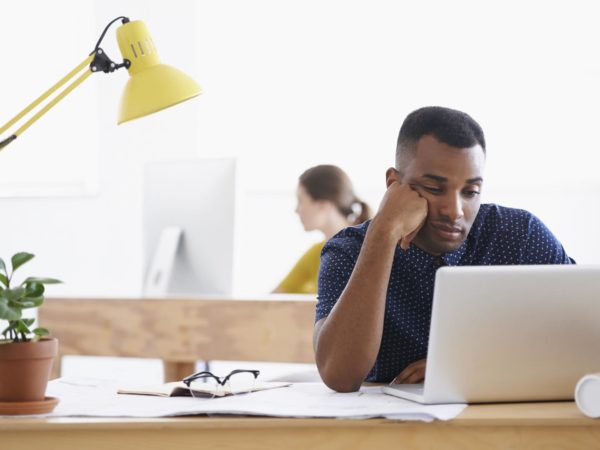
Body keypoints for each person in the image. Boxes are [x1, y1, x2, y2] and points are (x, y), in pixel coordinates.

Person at [313, 106, 574, 392]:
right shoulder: (347, 251)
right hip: (387, 430)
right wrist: (384, 232)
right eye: (435, 189)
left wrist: (468, 367)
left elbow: (584, 336)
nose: (455, 211)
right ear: (394, 184)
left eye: (470, 191)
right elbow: (339, 375)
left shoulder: (520, 236)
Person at [273, 165, 371, 294]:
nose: (296, 210)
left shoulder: (366, 251)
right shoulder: (316, 252)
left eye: (300, 201)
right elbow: (271, 301)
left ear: (323, 204)